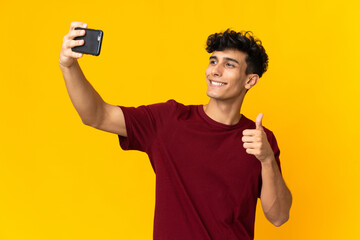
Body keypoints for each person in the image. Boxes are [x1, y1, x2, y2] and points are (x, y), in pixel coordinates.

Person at [59, 21, 292, 240]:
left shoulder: (260, 140)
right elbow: (97, 115)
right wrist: (68, 66)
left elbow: (279, 216)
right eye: (213, 61)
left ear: (250, 81)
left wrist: (267, 159)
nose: (215, 71)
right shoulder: (169, 120)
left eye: (229, 64)